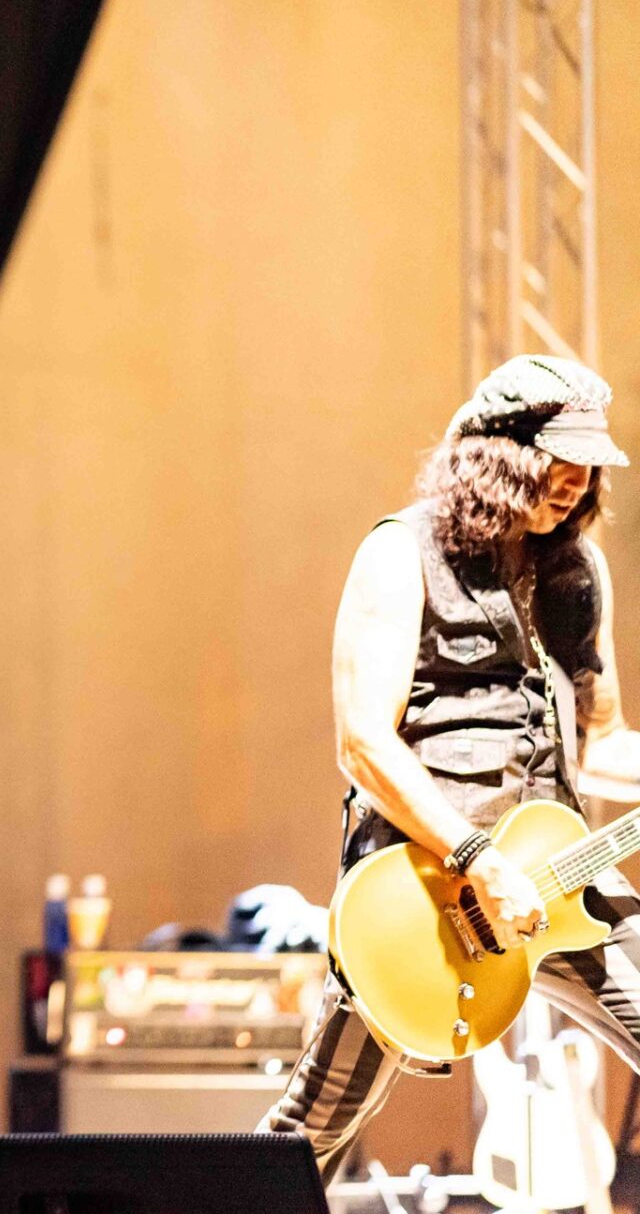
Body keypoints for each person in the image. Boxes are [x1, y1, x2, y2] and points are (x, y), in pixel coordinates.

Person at [261, 354, 640, 1180]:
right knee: (310, 1134)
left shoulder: (579, 572)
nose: (577, 482)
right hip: (426, 885)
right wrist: (477, 858)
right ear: (497, 455)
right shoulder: (402, 552)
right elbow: (363, 742)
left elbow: (604, 743)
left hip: (556, 880)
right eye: (559, 460)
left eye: (590, 466)